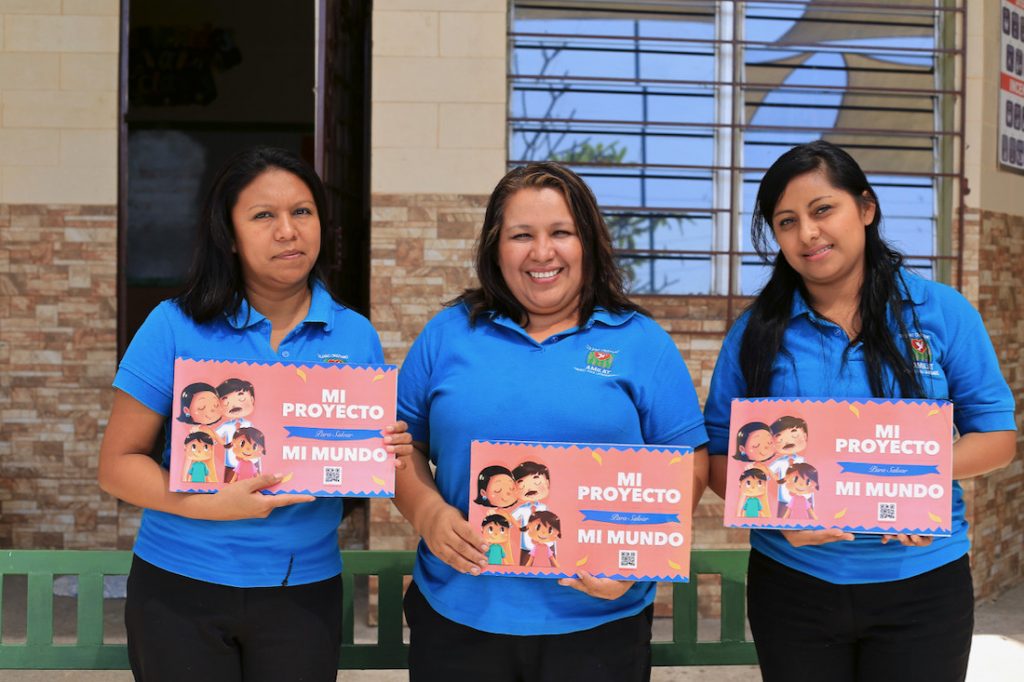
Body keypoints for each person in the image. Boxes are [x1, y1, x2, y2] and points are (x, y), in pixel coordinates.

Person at [705, 140, 1017, 682]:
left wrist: (913, 481)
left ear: (866, 209)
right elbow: (718, 456)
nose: (807, 233)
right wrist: (779, 511)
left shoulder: (942, 312)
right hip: (793, 583)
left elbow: (996, 437)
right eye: (786, 221)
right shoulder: (755, 332)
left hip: (924, 582)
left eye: (823, 209)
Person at [97, 147, 411, 682]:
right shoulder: (174, 325)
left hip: (302, 590)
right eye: (264, 215)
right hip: (179, 585)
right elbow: (116, 465)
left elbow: (350, 465)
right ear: (230, 233)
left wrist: (385, 451)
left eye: (303, 212)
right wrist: (210, 504)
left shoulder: (354, 334)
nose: (288, 231)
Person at [393, 161, 709, 681]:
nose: (542, 253)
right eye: (522, 235)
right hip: (460, 617)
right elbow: (398, 446)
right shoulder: (446, 335)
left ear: (587, 241)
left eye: (560, 232)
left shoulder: (642, 342)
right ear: (496, 247)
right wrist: (427, 511)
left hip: (599, 623)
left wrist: (638, 554)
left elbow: (687, 461)